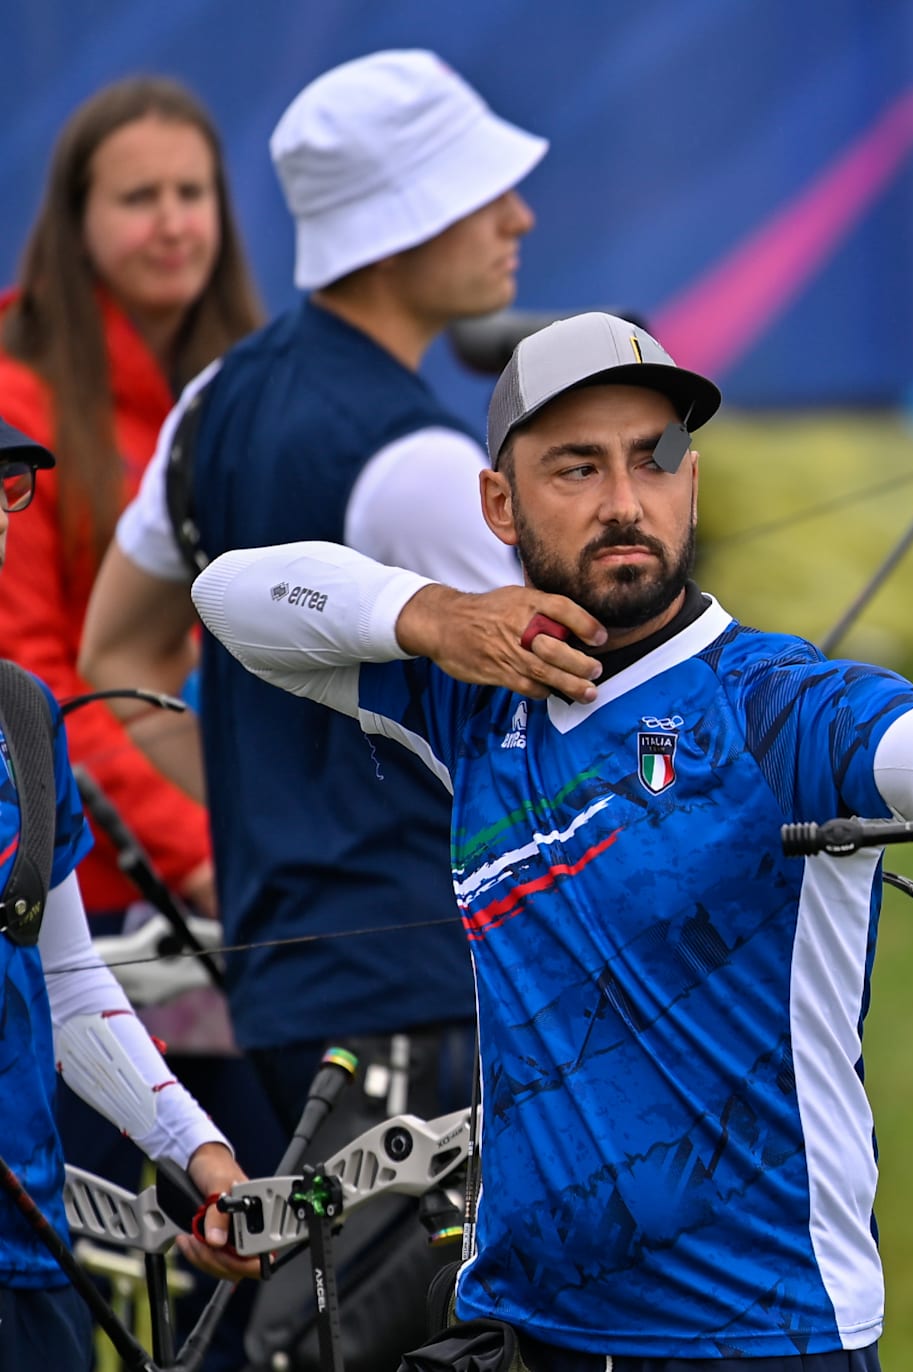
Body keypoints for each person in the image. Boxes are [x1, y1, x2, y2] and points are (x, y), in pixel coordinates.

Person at [187, 312, 913, 1368]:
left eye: (653, 457)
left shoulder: (777, 703)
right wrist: (431, 615)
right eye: (577, 467)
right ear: (500, 504)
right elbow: (233, 596)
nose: (624, 498)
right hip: (527, 1324)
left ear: (693, 481)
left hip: (758, 1331)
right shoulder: (478, 693)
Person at [77, 49, 544, 1367]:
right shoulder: (422, 463)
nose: (518, 220)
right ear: (399, 226)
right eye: (481, 194)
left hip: (284, 976)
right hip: (426, 993)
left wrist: (257, 808)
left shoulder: (213, 399)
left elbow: (118, 647)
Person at [1, 418, 256, 1370]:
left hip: (30, 1270)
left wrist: (204, 1162)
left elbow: (63, 979)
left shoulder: (24, 715)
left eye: (5, 489)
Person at [0, 75, 260, 938]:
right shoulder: (18, 404)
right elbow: (33, 673)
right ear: (77, 221)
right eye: (140, 198)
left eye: (192, 193)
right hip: (86, 894)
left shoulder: (249, 387)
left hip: (247, 869)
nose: (174, 223)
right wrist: (195, 852)